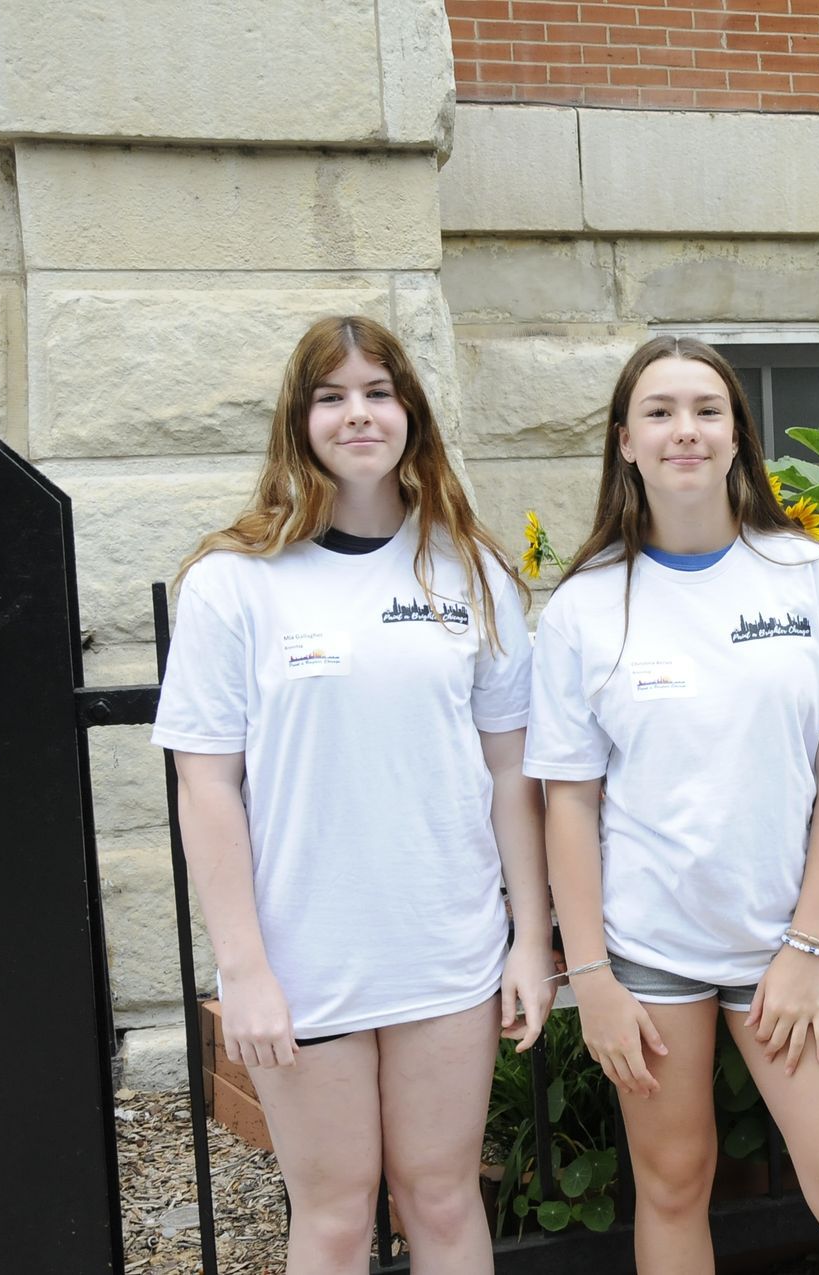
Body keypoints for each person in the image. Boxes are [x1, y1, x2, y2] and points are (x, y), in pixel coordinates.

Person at [153, 316, 549, 1275]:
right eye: (332, 396)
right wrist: (243, 969)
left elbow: (512, 770)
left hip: (445, 945)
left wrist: (530, 938)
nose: (358, 413)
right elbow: (205, 784)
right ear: (300, 421)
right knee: (331, 1212)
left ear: (410, 411)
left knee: (443, 1197)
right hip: (304, 956)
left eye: (378, 392)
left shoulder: (473, 571)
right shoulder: (233, 583)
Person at [525, 335, 819, 1274]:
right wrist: (592, 980)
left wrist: (807, 946)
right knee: (670, 1185)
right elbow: (568, 805)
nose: (684, 431)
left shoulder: (804, 576)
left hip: (790, 944)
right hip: (649, 953)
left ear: (738, 434)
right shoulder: (584, 606)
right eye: (659, 412)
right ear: (625, 441)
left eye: (706, 410)